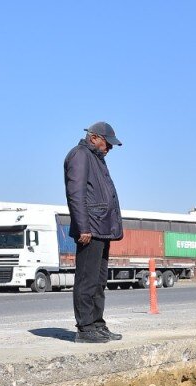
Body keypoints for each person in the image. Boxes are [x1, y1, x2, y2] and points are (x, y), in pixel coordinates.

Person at [64, 121, 124, 343]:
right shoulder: (79, 155)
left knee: (99, 281)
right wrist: (83, 227)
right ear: (94, 138)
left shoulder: (96, 159)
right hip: (90, 228)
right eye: (107, 144)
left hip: (102, 229)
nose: (109, 149)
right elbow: (76, 194)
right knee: (86, 280)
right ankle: (85, 327)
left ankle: (97, 323)